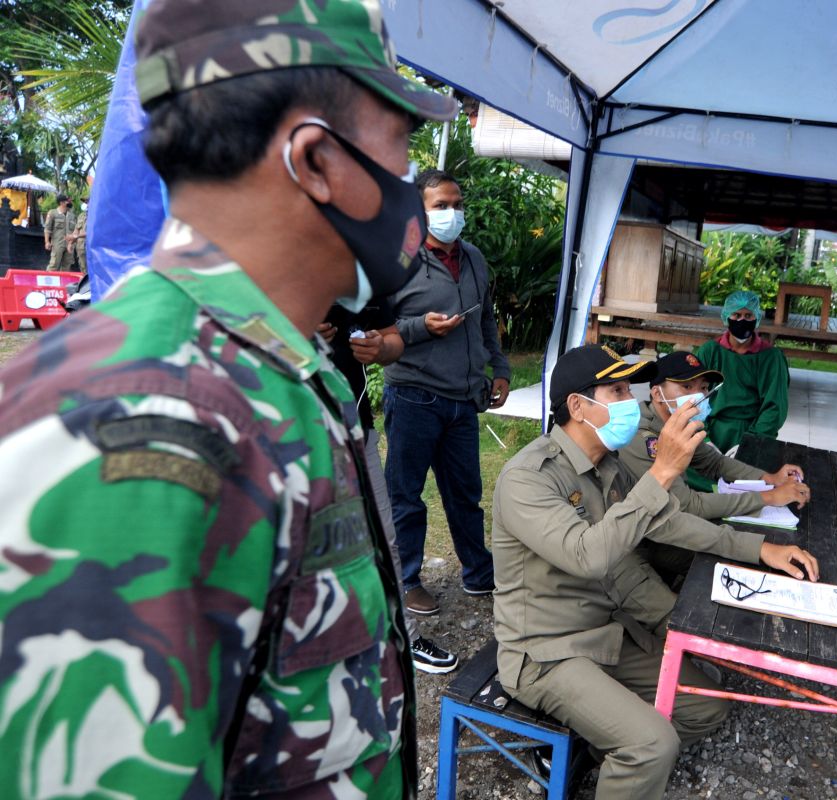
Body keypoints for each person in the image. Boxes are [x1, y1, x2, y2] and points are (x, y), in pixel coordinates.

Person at [0, 0, 459, 795]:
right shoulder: (142, 421)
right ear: (316, 160)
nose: (415, 189)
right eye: (402, 141)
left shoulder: (272, 368)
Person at [492, 344, 819, 800]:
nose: (630, 400)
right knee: (653, 743)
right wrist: (662, 471)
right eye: (617, 390)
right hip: (545, 651)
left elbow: (669, 521)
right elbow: (587, 555)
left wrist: (760, 548)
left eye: (630, 388)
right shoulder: (528, 477)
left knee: (707, 707)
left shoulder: (606, 466)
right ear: (577, 406)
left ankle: (608, 749)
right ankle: (629, 750)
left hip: (604, 628)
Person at [383, 168, 509, 616]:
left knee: (464, 493)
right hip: (414, 394)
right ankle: (406, 578)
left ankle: (478, 572)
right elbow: (375, 329)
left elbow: (487, 318)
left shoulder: (473, 257)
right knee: (406, 494)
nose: (452, 213)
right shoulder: (397, 260)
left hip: (463, 399)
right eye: (441, 206)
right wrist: (421, 327)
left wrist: (502, 368)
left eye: (457, 204)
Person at [319, 304, 459, 674]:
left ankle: (404, 636)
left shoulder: (361, 272)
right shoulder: (257, 266)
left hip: (355, 429)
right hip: (288, 433)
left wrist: (381, 349)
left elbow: (393, 339)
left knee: (384, 536)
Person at [621, 350, 811, 522]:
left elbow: (715, 463)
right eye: (687, 387)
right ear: (657, 394)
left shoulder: (680, 423)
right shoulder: (644, 437)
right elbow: (689, 505)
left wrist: (770, 479)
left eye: (704, 388)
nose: (699, 396)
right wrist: (768, 497)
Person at [695, 290, 790, 454]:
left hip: (752, 432)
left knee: (747, 477)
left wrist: (753, 441)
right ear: (726, 316)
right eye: (736, 315)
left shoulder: (771, 357)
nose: (741, 320)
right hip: (710, 429)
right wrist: (704, 438)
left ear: (757, 318)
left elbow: (775, 407)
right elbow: (693, 397)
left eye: (748, 316)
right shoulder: (710, 351)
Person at [43, 192, 76, 271]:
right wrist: (47, 242)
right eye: (67, 201)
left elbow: (75, 231)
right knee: (53, 265)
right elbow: (47, 228)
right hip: (57, 244)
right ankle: (48, 282)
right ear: (62, 203)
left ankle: (64, 283)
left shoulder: (72, 216)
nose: (69, 202)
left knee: (67, 266)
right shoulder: (53, 213)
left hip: (69, 245)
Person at [67, 198, 88, 274]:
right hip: (81, 248)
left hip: (91, 248)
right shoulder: (81, 216)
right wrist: (70, 243)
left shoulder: (97, 216)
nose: (85, 204)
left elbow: (90, 232)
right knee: (83, 269)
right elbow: (76, 230)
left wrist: (75, 236)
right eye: (85, 202)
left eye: (87, 202)